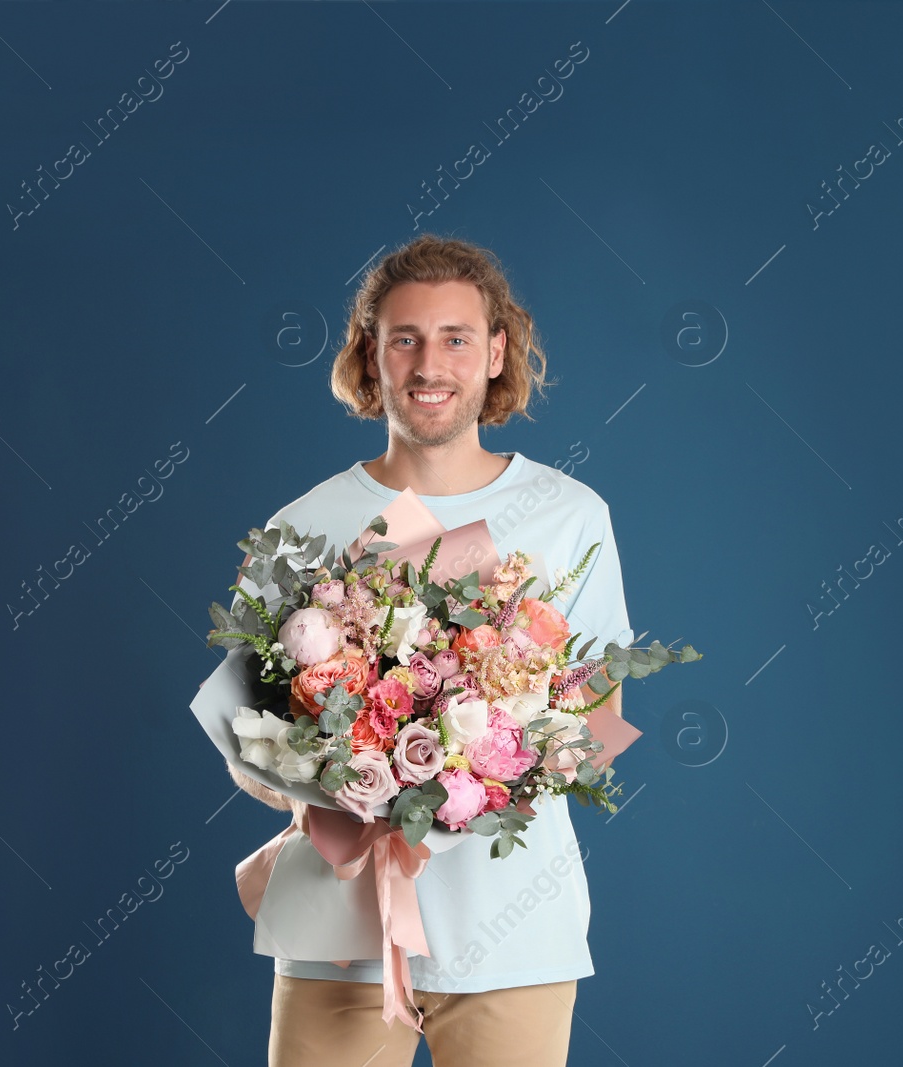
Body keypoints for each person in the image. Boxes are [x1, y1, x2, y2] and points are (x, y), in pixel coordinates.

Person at [229, 234, 634, 1066]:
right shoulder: (301, 526)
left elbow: (597, 725)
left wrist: (462, 779)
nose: (428, 363)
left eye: (455, 337)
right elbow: (247, 739)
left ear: (496, 352)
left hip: (513, 934)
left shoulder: (570, 515)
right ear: (368, 354)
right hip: (337, 935)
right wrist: (350, 778)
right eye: (404, 337)